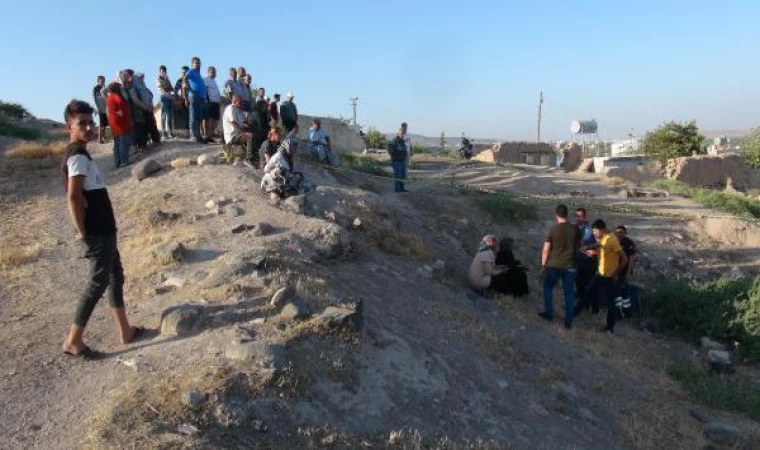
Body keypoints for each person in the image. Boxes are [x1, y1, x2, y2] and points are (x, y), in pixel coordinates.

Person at [60, 100, 144, 360]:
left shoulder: (82, 154)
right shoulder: (76, 156)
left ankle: (125, 330)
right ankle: (73, 341)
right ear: (69, 127)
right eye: (81, 123)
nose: (87, 127)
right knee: (97, 283)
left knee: (115, 277)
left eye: (90, 122)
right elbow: (73, 197)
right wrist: (83, 232)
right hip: (97, 232)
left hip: (105, 229)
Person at [574, 219, 628, 334]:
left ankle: (610, 327)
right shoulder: (605, 237)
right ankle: (573, 314)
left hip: (609, 276)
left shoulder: (612, 240)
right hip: (601, 273)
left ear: (601, 229)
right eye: (593, 231)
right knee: (588, 293)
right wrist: (587, 248)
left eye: (595, 231)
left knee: (610, 302)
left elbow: (624, 259)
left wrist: (615, 274)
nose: (594, 233)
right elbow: (600, 244)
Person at [538, 204, 581, 329]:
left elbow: (545, 249)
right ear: (566, 214)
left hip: (554, 264)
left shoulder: (552, 230)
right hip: (570, 266)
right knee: (568, 293)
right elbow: (578, 246)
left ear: (556, 215)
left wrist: (543, 265)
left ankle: (549, 312)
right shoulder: (575, 229)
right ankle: (568, 320)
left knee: (548, 288)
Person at [118, 70, 148, 151]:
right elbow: (135, 100)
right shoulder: (125, 88)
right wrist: (145, 107)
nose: (130, 77)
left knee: (135, 129)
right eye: (127, 76)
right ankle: (139, 146)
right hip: (133, 111)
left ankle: (137, 147)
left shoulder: (124, 88)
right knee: (138, 128)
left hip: (131, 112)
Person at [574, 207, 598, 306]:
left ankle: (591, 305)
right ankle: (581, 303)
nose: (579, 218)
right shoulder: (572, 228)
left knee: (589, 284)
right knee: (578, 283)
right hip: (577, 261)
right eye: (577, 216)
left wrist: (590, 249)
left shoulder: (591, 229)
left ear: (584, 216)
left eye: (581, 216)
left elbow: (599, 243)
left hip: (589, 261)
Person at [222, 95, 256, 166]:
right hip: (232, 136)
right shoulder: (230, 108)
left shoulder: (239, 110)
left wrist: (250, 126)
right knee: (249, 136)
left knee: (255, 133)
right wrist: (244, 133)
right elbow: (234, 123)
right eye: (240, 102)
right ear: (234, 101)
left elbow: (244, 123)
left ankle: (254, 156)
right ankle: (248, 159)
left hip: (239, 134)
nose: (242, 103)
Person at [105, 83, 132, 168]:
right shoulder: (116, 96)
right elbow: (120, 102)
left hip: (114, 122)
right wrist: (121, 113)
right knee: (123, 143)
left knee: (117, 143)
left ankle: (117, 162)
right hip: (121, 122)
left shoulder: (109, 98)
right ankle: (124, 161)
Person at [184, 57, 207, 143]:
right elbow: (184, 79)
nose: (198, 65)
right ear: (192, 64)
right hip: (193, 97)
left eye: (199, 63)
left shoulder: (198, 74)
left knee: (198, 117)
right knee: (193, 116)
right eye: (196, 63)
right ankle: (193, 136)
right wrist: (186, 95)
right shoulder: (191, 71)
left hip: (201, 98)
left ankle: (198, 136)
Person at [134, 72, 161, 145]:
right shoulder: (136, 88)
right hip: (142, 109)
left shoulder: (144, 86)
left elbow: (150, 95)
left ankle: (156, 140)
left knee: (152, 124)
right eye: (140, 77)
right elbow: (138, 100)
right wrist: (145, 107)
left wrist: (150, 105)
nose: (142, 79)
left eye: (142, 77)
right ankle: (145, 143)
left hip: (149, 107)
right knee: (144, 127)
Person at [614, 225, 637, 301]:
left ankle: (625, 309)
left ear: (625, 233)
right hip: (615, 270)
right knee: (615, 291)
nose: (619, 234)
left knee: (623, 291)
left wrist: (628, 272)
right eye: (617, 232)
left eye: (621, 232)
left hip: (624, 271)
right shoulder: (614, 242)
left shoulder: (628, 243)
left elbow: (631, 258)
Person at [387, 126, 409, 192]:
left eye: (403, 133)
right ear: (398, 133)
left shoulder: (403, 141)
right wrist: (394, 154)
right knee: (398, 176)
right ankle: (397, 189)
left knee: (402, 175)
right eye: (402, 133)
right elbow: (389, 149)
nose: (403, 135)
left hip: (403, 161)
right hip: (396, 161)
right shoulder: (394, 141)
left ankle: (402, 189)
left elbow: (405, 150)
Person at [156, 65, 175, 139]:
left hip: (170, 99)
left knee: (170, 116)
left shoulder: (167, 79)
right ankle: (163, 134)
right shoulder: (158, 79)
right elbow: (161, 90)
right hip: (164, 99)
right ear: (160, 72)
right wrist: (170, 93)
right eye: (162, 71)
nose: (163, 73)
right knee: (164, 116)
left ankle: (170, 133)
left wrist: (172, 93)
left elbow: (171, 88)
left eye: (164, 71)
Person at [204, 66, 221, 142]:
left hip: (216, 102)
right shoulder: (206, 80)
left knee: (215, 119)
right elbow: (205, 91)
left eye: (215, 72)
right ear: (208, 72)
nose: (214, 73)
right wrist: (207, 100)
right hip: (210, 102)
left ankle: (211, 135)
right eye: (213, 72)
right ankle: (207, 135)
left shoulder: (214, 81)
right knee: (210, 119)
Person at [92, 75, 108, 144]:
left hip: (106, 108)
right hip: (100, 107)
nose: (103, 82)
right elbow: (95, 99)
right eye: (101, 81)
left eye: (104, 80)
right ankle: (100, 139)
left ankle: (104, 138)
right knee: (101, 124)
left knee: (105, 124)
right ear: (98, 81)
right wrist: (97, 107)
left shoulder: (104, 88)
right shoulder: (95, 88)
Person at [174, 66, 189, 135]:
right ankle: (187, 131)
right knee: (187, 115)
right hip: (183, 100)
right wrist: (178, 98)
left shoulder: (191, 80)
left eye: (185, 72)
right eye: (183, 72)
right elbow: (175, 90)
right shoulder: (179, 81)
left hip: (192, 99)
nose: (184, 73)